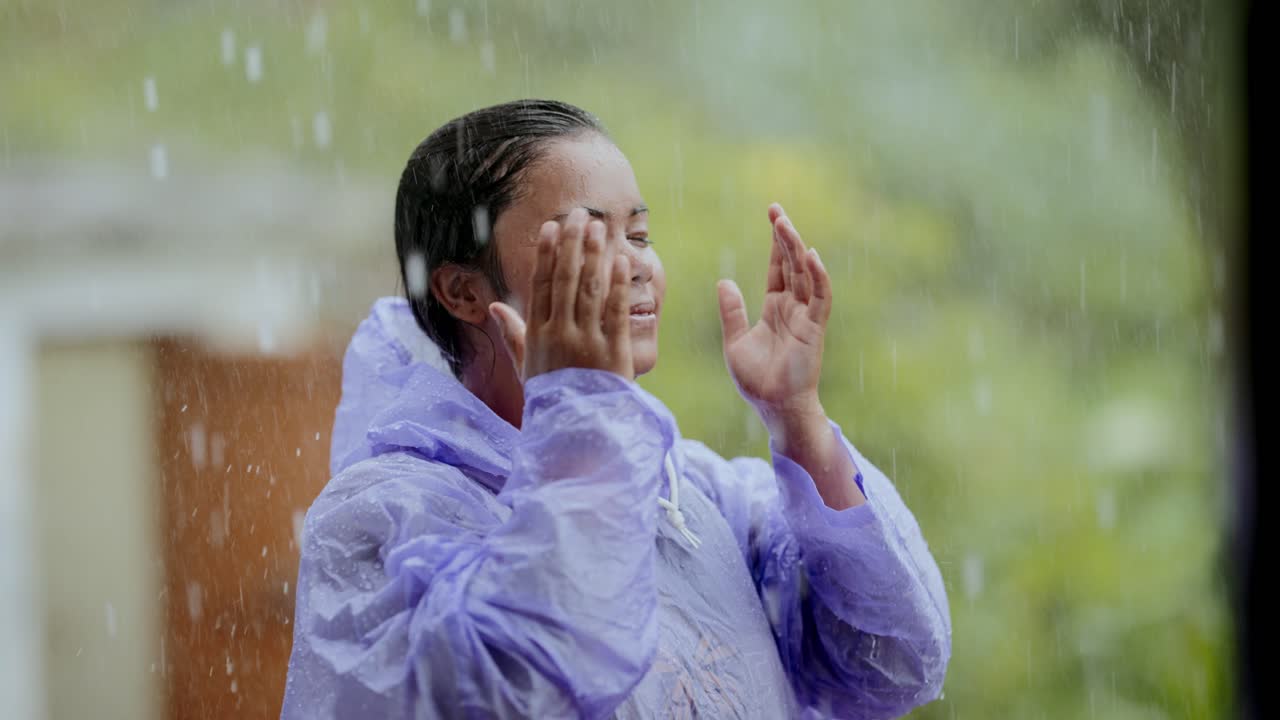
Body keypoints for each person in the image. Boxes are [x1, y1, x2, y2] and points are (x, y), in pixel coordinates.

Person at [281, 99, 950, 719]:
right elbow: (523, 685)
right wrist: (582, 414)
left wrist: (797, 421)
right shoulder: (381, 519)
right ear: (461, 290)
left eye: (638, 234)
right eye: (588, 242)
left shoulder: (693, 492)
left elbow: (890, 666)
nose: (633, 266)